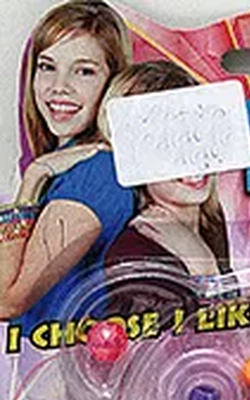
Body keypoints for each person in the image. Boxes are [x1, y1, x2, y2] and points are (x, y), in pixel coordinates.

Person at [0, 0, 134, 331]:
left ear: (112, 82)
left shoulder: (95, 174)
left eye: (84, 71)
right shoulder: (69, 165)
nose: (59, 86)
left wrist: (33, 179)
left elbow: (6, 301)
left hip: (59, 357)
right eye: (47, 67)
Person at [101, 61, 236, 319]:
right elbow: (195, 339)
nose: (193, 157)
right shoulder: (134, 253)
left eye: (198, 135)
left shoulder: (210, 219)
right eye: (168, 145)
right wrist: (204, 270)